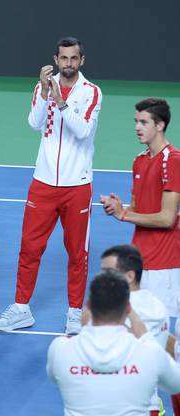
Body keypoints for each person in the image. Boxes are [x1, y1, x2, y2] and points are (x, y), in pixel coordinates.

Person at [0, 36, 102, 335]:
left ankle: (75, 313)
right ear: (56, 59)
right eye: (63, 58)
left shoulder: (92, 92)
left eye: (73, 58)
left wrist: (62, 103)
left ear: (82, 60)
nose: (68, 63)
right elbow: (33, 122)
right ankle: (21, 308)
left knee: (77, 253)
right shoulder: (44, 86)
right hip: (42, 183)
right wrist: (44, 93)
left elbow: (83, 131)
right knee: (29, 248)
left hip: (77, 185)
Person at [47, 270, 180, 415]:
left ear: (88, 306)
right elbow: (176, 384)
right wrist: (146, 337)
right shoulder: (150, 353)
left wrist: (84, 327)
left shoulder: (59, 349)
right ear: (128, 308)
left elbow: (55, 376)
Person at [101, 98, 180, 318]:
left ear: (160, 125)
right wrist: (119, 208)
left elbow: (167, 219)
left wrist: (123, 214)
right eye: (136, 121)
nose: (137, 127)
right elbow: (137, 209)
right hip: (139, 260)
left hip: (164, 265)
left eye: (144, 122)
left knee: (160, 330)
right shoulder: (139, 160)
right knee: (137, 327)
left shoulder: (173, 160)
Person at [99, 245, 174, 415]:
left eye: (108, 272)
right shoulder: (158, 306)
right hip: (148, 403)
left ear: (130, 276)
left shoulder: (115, 310)